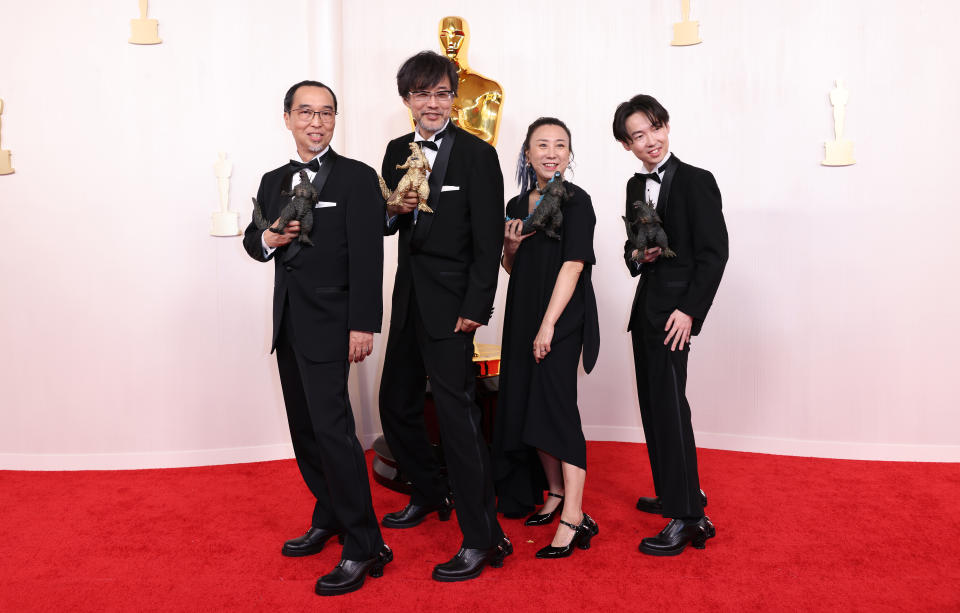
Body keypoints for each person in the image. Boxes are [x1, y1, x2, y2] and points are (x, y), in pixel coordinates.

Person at [242, 80, 390, 595]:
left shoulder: (356, 178)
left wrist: (362, 323)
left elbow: (371, 257)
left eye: (326, 113)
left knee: (334, 432)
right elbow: (251, 240)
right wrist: (267, 238)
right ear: (287, 118)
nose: (316, 121)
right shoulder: (271, 180)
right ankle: (328, 513)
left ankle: (364, 542)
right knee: (304, 430)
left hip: (334, 324)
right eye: (305, 112)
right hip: (289, 323)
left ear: (335, 120)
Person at [378, 50, 510, 582]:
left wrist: (477, 307)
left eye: (440, 93)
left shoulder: (478, 155)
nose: (431, 103)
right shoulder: (394, 150)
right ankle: (431, 493)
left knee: (458, 421)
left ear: (453, 98)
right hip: (408, 300)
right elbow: (386, 221)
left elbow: (486, 242)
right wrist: (393, 210)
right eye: (421, 94)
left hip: (453, 310)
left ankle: (484, 538)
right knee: (395, 403)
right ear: (407, 100)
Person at [612, 94, 728, 556]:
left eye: (655, 128)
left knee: (670, 408)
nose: (650, 141)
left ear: (666, 126)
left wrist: (690, 311)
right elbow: (630, 253)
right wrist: (641, 255)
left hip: (676, 316)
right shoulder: (634, 187)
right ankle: (674, 491)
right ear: (628, 145)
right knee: (654, 406)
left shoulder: (698, 181)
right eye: (638, 136)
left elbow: (714, 254)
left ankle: (688, 515)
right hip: (646, 312)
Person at [493, 117, 601, 559]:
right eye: (542, 144)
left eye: (560, 145)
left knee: (556, 407)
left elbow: (574, 264)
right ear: (527, 153)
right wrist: (511, 247)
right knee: (526, 402)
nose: (551, 152)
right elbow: (513, 270)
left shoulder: (577, 202)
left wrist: (549, 325)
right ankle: (553, 493)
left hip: (562, 316)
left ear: (569, 155)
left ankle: (575, 516)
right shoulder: (518, 202)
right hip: (523, 314)